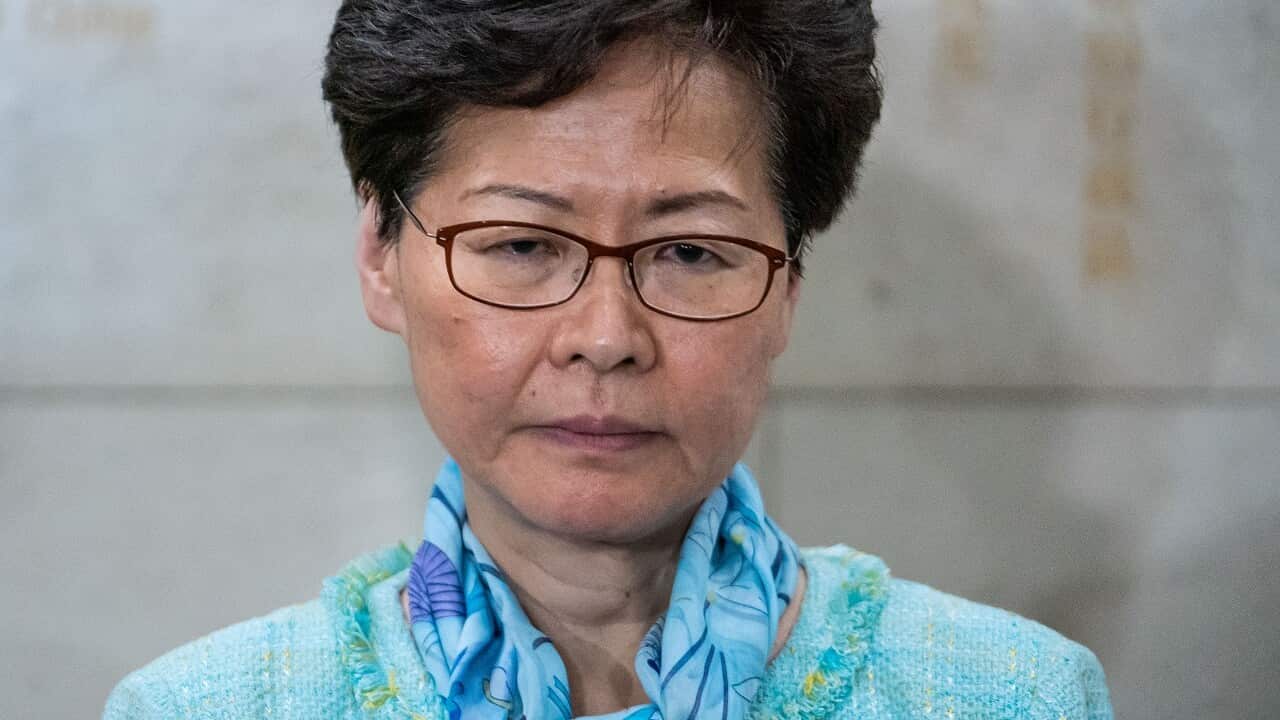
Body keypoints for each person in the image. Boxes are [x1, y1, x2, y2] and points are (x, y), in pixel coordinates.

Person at [104, 2, 1113, 718]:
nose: (604, 336)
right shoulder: (213, 705)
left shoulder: (1005, 695)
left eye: (689, 253)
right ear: (380, 256)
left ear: (788, 288)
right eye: (520, 244)